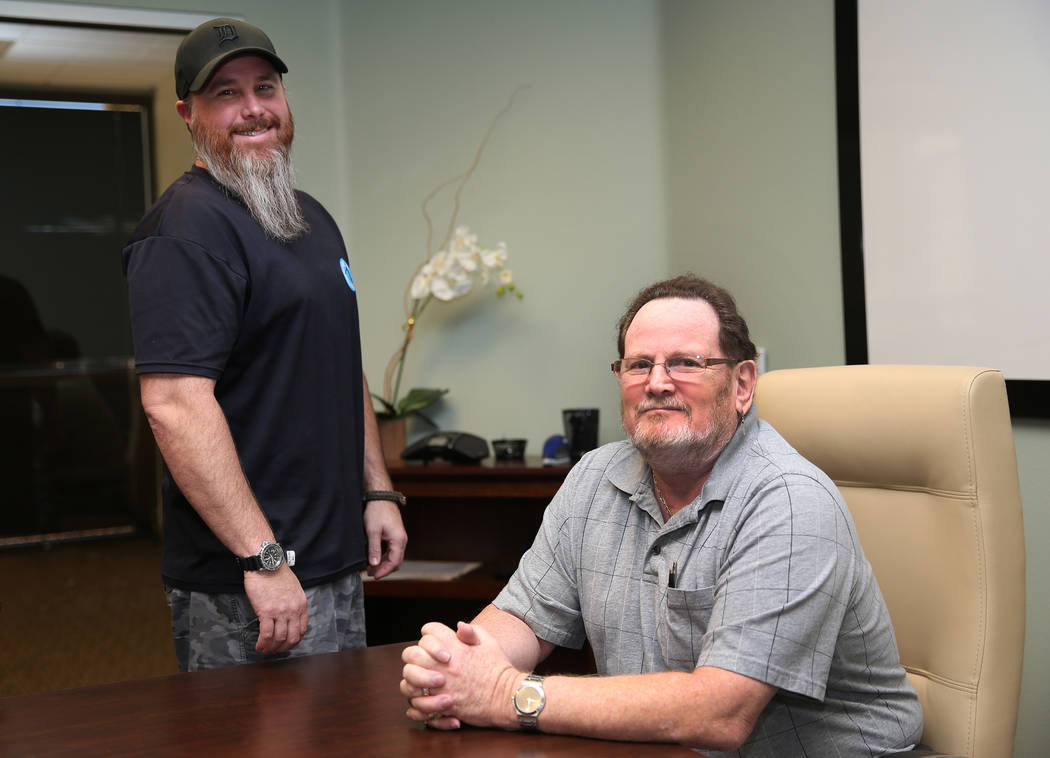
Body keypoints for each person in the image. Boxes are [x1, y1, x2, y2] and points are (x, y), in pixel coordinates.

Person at [400, 275, 923, 755]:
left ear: (742, 385)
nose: (656, 382)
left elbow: (720, 712)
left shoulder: (790, 500)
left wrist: (508, 694)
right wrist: (457, 667)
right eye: (638, 364)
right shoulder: (594, 477)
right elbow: (524, 617)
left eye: (685, 363)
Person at [123, 18, 406, 672]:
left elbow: (340, 365)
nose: (253, 109)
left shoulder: (310, 218)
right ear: (187, 114)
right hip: (250, 581)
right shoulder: (184, 232)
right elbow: (174, 404)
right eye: (226, 93)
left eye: (266, 87)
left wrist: (377, 492)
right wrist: (264, 557)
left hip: (332, 558)